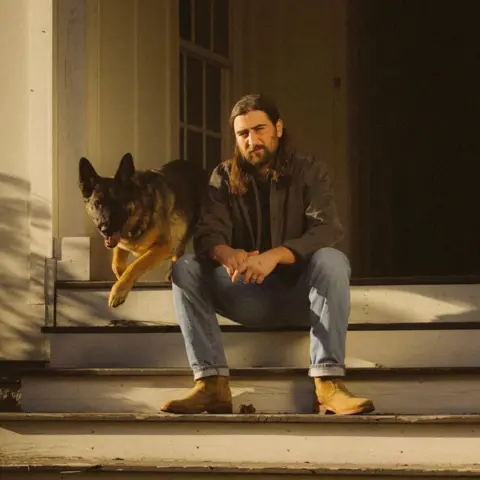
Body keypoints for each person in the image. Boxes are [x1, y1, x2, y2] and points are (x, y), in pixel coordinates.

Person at [160, 93, 374, 415]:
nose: (252, 140)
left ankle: (328, 384)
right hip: (246, 296)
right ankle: (212, 384)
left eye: (259, 130)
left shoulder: (309, 170)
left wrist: (275, 256)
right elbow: (207, 233)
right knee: (185, 267)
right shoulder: (222, 176)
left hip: (302, 298)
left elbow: (327, 228)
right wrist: (226, 252)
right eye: (243, 134)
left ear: (278, 128)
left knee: (332, 259)